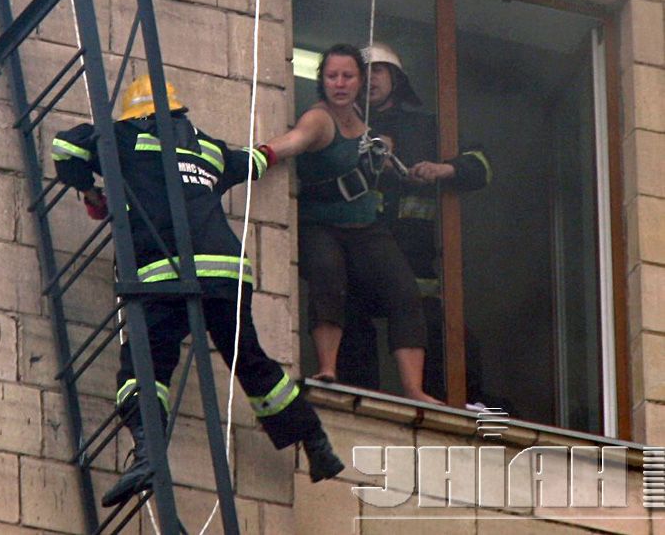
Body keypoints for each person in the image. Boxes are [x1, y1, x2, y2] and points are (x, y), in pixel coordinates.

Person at [51, 74, 344, 507]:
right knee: (250, 361)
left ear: (137, 114)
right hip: (227, 270)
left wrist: (90, 191)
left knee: (145, 366)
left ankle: (147, 455)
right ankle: (316, 443)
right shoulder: (206, 146)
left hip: (163, 269)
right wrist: (289, 141)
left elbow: (66, 147)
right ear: (177, 110)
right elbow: (256, 160)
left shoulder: (120, 137)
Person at [262, 43, 440, 405]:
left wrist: (389, 156)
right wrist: (257, 156)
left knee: (404, 291)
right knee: (329, 277)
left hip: (364, 227)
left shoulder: (364, 125)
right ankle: (327, 367)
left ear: (359, 82)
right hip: (321, 224)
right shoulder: (319, 118)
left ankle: (413, 388)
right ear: (322, 81)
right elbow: (293, 142)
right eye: (332, 76)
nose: (339, 84)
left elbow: (381, 167)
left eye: (347, 76)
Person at [336, 42, 492, 404]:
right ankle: (356, 403)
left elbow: (481, 166)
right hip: (360, 252)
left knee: (438, 331)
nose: (371, 79)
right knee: (352, 330)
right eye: (365, 72)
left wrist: (442, 169)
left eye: (379, 71)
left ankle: (450, 404)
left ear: (397, 79)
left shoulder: (427, 127)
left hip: (413, 257)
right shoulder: (345, 127)